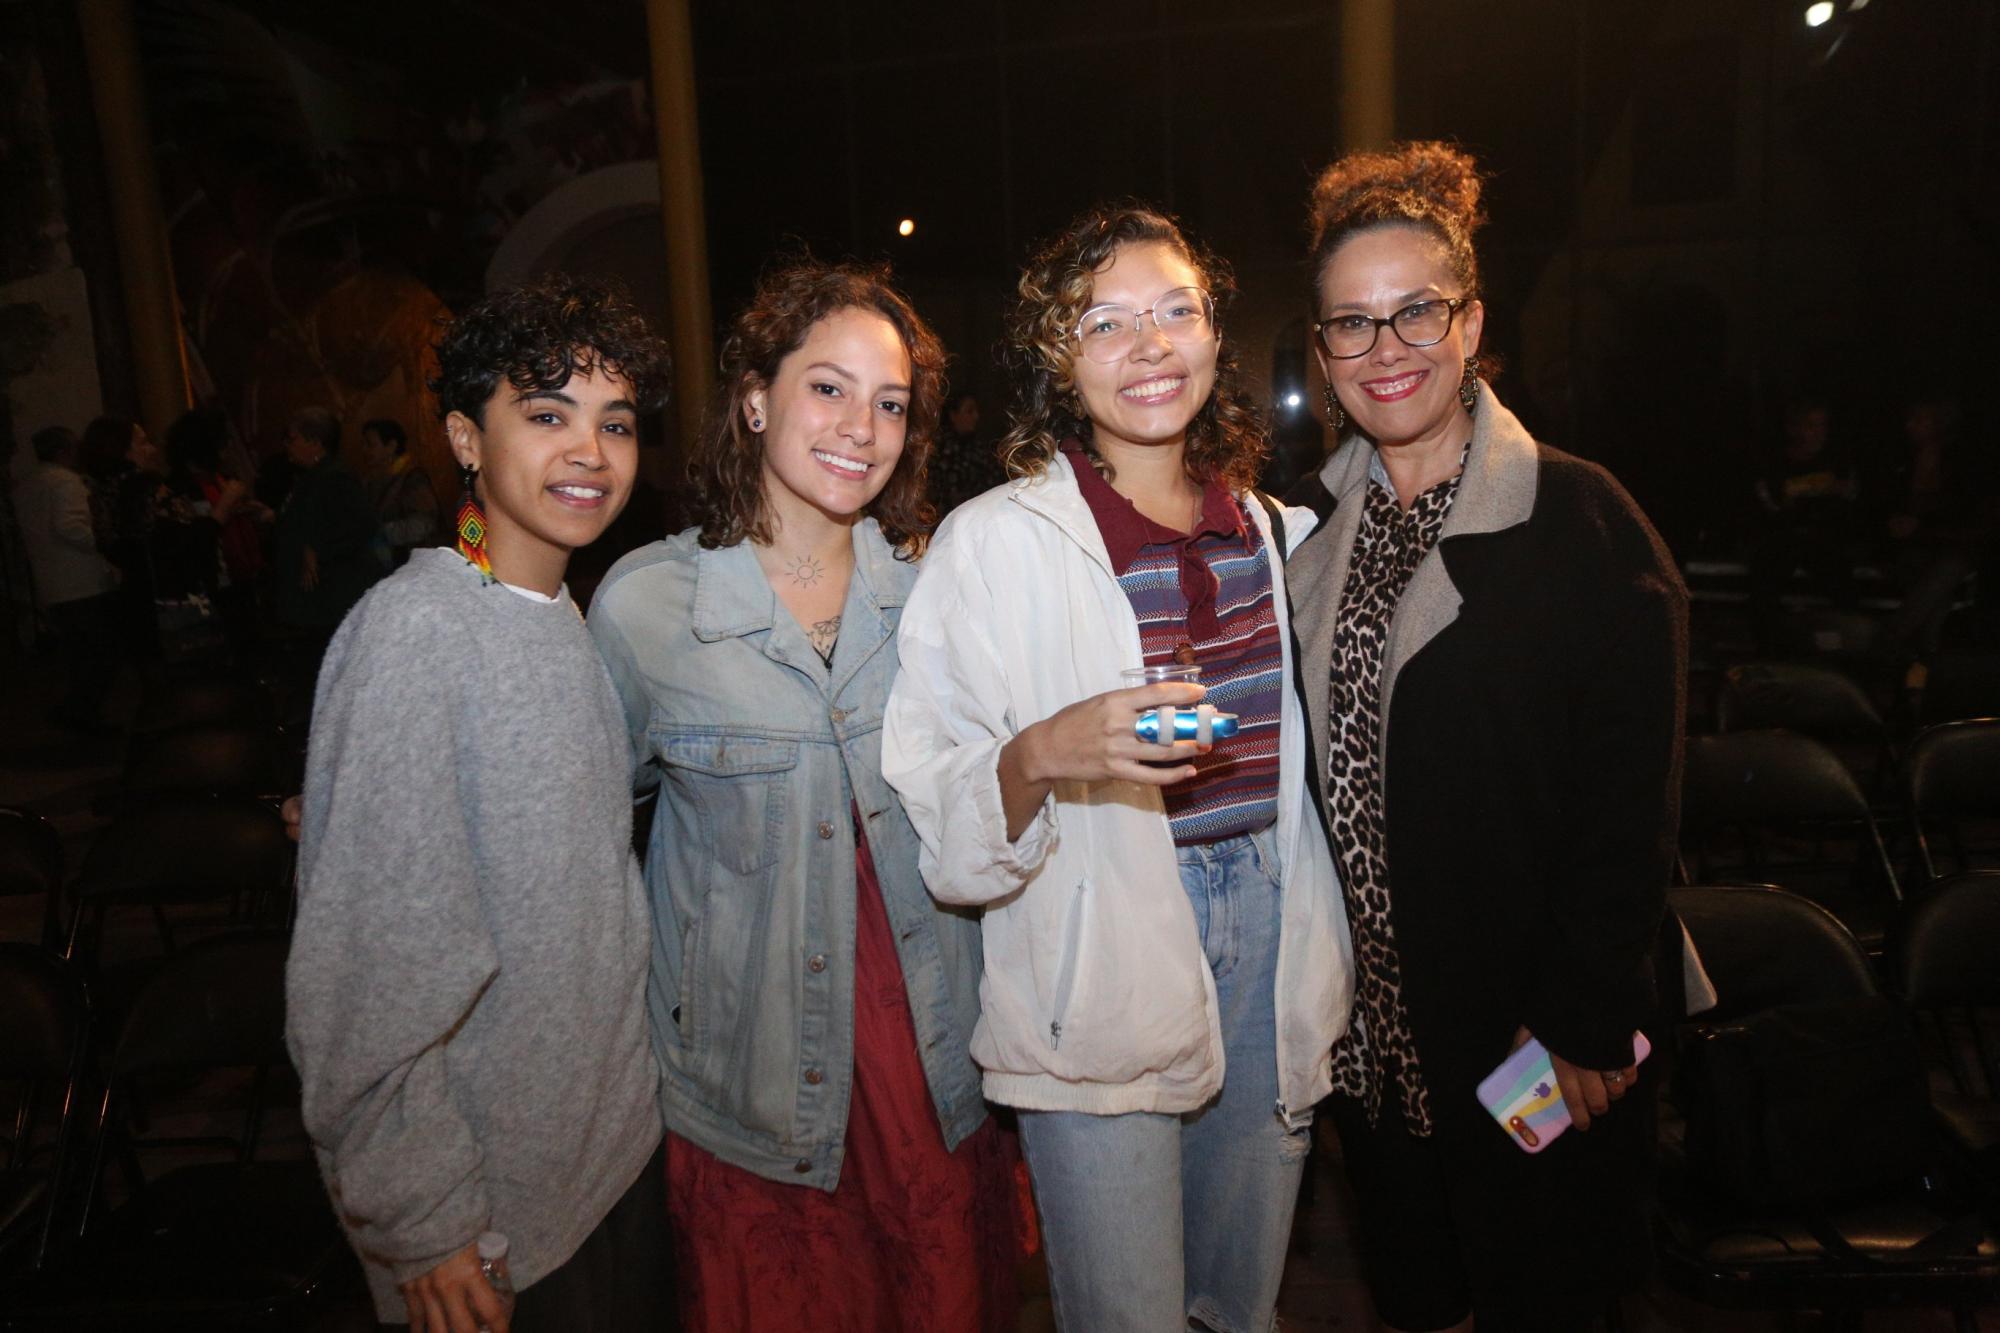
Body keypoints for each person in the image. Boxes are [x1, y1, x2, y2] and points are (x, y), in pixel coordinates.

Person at [881, 205, 1352, 1333]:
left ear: (1211, 334)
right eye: (1104, 321)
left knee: (1238, 1307)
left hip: (1273, 932)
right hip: (1099, 942)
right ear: (1058, 357)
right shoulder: (995, 542)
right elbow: (934, 794)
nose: (1148, 345)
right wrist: (1044, 750)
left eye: (1173, 311)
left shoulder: (1276, 533)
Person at [1286, 141, 1685, 1332]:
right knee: (1420, 1296)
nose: (1385, 348)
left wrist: (1576, 1015)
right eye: (1350, 325)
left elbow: (1632, 800)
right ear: (1319, 353)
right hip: (1373, 1057)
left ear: (1469, 323)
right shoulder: (1303, 533)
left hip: (1531, 1038)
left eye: (1415, 311)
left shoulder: (1580, 519)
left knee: (1544, 1283)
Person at [588, 260, 1019, 1333]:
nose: (858, 428)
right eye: (826, 388)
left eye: (888, 403)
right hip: (750, 1086)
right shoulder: (648, 606)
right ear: (753, 397)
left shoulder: (938, 595)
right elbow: (585, 843)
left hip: (928, 1074)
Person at [285, 274, 677, 1333]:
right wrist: (422, 1214)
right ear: (465, 437)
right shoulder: (414, 633)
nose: (588, 452)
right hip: (496, 1217)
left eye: (615, 423)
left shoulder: (559, 620)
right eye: (545, 416)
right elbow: (364, 970)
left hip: (607, 1161)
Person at [12, 425, 122, 731]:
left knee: (79, 654)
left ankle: (77, 709)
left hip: (52, 581)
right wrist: (106, 543)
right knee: (99, 652)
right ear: (66, 451)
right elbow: (69, 525)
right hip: (80, 580)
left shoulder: (27, 485)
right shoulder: (66, 483)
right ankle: (84, 711)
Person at [270, 406, 388, 660]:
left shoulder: (335, 478)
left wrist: (318, 549)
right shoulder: (312, 477)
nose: (287, 446)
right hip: (318, 601)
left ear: (315, 443)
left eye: (293, 439)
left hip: (333, 598)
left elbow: (362, 524)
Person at [360, 416, 443, 565]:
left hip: (415, 564)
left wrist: (382, 533)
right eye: (363, 444)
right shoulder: (370, 481)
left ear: (391, 446)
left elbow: (424, 524)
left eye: (370, 444)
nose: (364, 450)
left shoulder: (412, 479)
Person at [926, 389, 1003, 515]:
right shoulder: (938, 450)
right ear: (953, 415)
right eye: (969, 411)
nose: (976, 416)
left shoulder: (978, 448)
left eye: (976, 411)